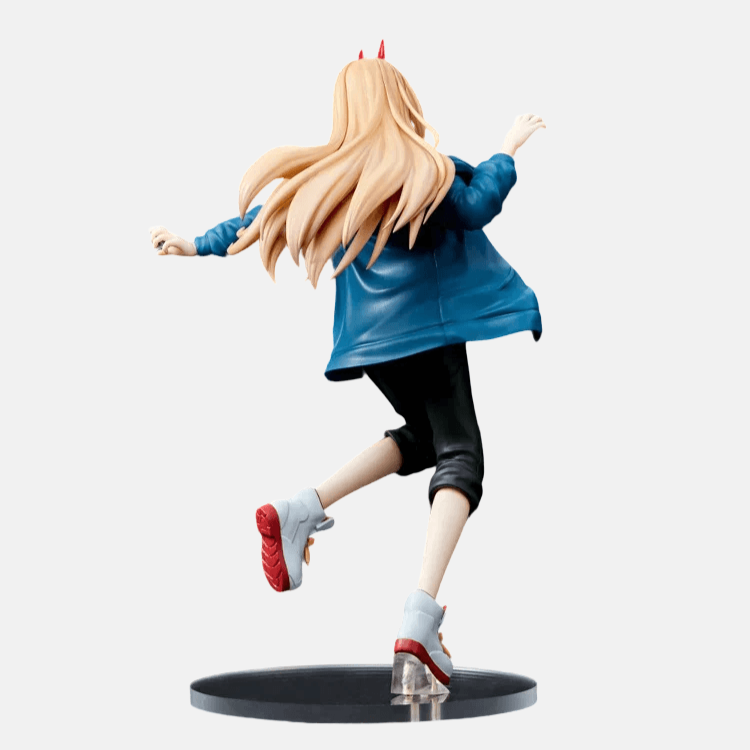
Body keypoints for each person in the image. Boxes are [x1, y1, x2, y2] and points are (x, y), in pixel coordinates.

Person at [150, 42, 545, 695]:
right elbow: (478, 206)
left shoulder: (331, 178)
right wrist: (507, 150)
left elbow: (256, 220)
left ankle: (301, 508)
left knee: (425, 439)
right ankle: (419, 622)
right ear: (400, 101)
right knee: (462, 458)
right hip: (429, 331)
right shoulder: (421, 170)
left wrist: (196, 244)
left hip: (371, 347)